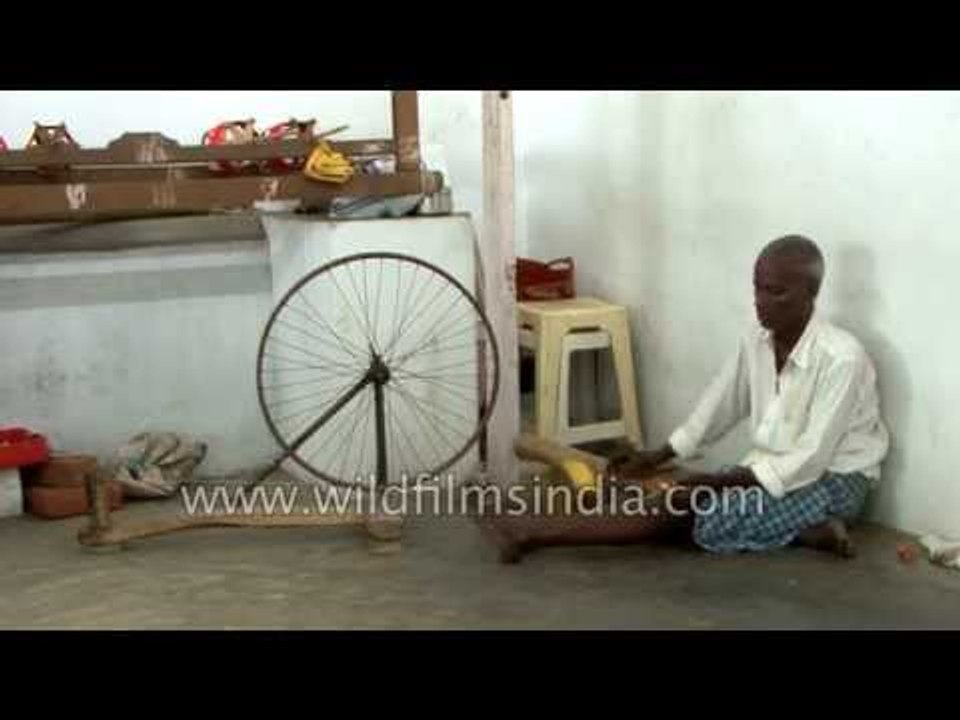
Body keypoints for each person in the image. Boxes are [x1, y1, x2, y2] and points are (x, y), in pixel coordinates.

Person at [477, 235, 890, 563]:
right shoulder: (757, 338)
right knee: (680, 498)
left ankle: (534, 535)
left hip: (835, 480)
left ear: (810, 293)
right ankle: (806, 531)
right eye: (757, 288)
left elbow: (810, 459)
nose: (760, 301)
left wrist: (710, 482)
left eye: (776, 292)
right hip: (771, 469)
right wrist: (657, 456)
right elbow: (719, 403)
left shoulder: (842, 358)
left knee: (699, 512)